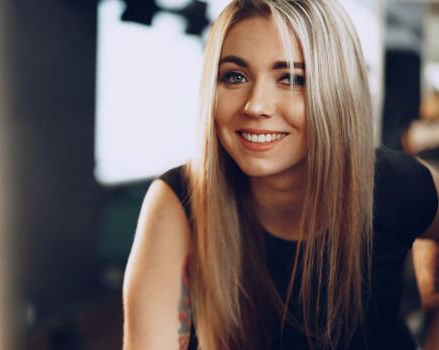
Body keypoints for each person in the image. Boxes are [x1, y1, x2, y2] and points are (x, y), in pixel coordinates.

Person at [122, 0, 439, 349]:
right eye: (235, 76)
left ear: (336, 94)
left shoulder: (393, 183)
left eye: (291, 78)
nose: (256, 105)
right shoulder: (178, 201)